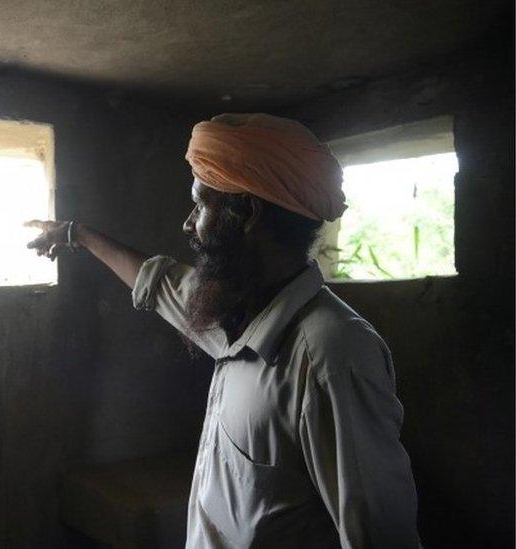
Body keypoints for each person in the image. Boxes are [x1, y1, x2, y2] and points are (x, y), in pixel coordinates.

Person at [27, 113, 420, 548]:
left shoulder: (331, 353)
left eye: (201, 204)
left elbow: (381, 536)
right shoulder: (239, 315)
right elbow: (160, 284)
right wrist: (73, 234)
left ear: (247, 213)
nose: (188, 222)